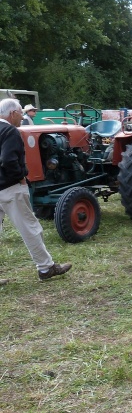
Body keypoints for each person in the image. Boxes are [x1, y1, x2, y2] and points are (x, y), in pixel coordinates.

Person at [0, 98, 72, 282]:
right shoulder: (9, 131)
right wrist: (21, 176)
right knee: (30, 227)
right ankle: (46, 268)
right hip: (10, 187)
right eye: (20, 113)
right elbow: (8, 160)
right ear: (13, 114)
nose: (21, 117)